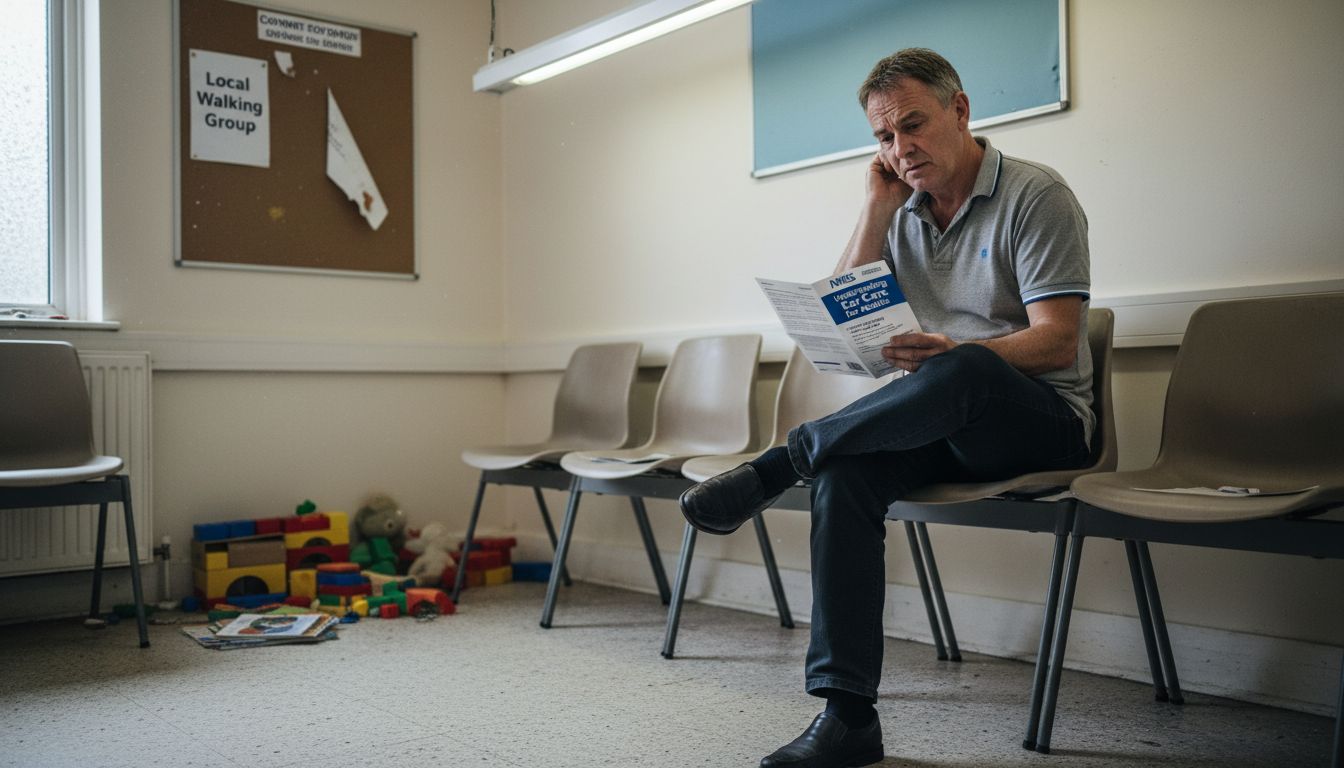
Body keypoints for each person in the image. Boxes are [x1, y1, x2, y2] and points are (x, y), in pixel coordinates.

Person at [680, 48, 1094, 768]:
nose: (900, 149)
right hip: (947, 416)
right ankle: (848, 717)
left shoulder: (1037, 194)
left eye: (913, 125)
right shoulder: (901, 207)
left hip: (1045, 422)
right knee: (845, 472)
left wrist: (957, 354)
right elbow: (837, 325)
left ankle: (780, 463)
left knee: (962, 365)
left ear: (960, 111)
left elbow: (1059, 342)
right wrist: (875, 207)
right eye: (883, 137)